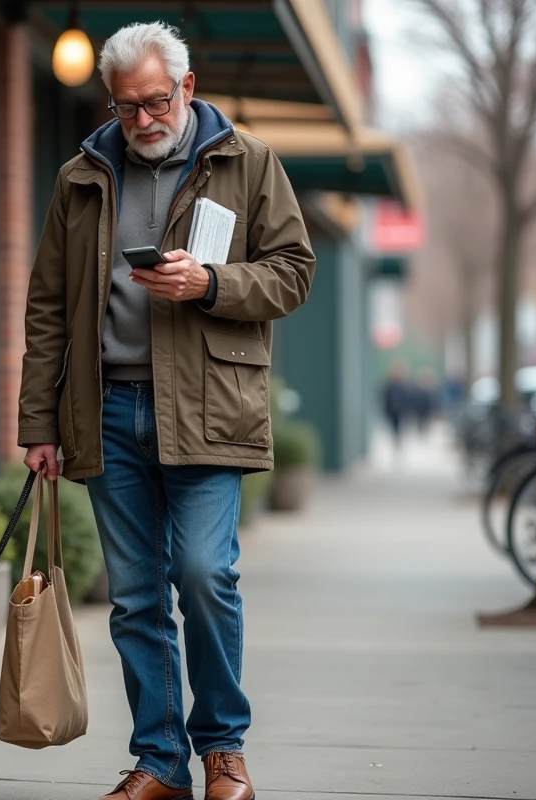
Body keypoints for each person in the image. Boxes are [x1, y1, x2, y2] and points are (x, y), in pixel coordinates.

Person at [18, 21, 315, 800]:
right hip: (106, 409)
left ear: (186, 87)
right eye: (126, 108)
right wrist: (38, 425)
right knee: (136, 598)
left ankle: (223, 749)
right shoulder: (79, 178)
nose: (144, 120)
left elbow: (293, 274)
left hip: (211, 407)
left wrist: (210, 285)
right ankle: (159, 761)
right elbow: (47, 307)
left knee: (204, 573)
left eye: (156, 102)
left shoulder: (247, 162)